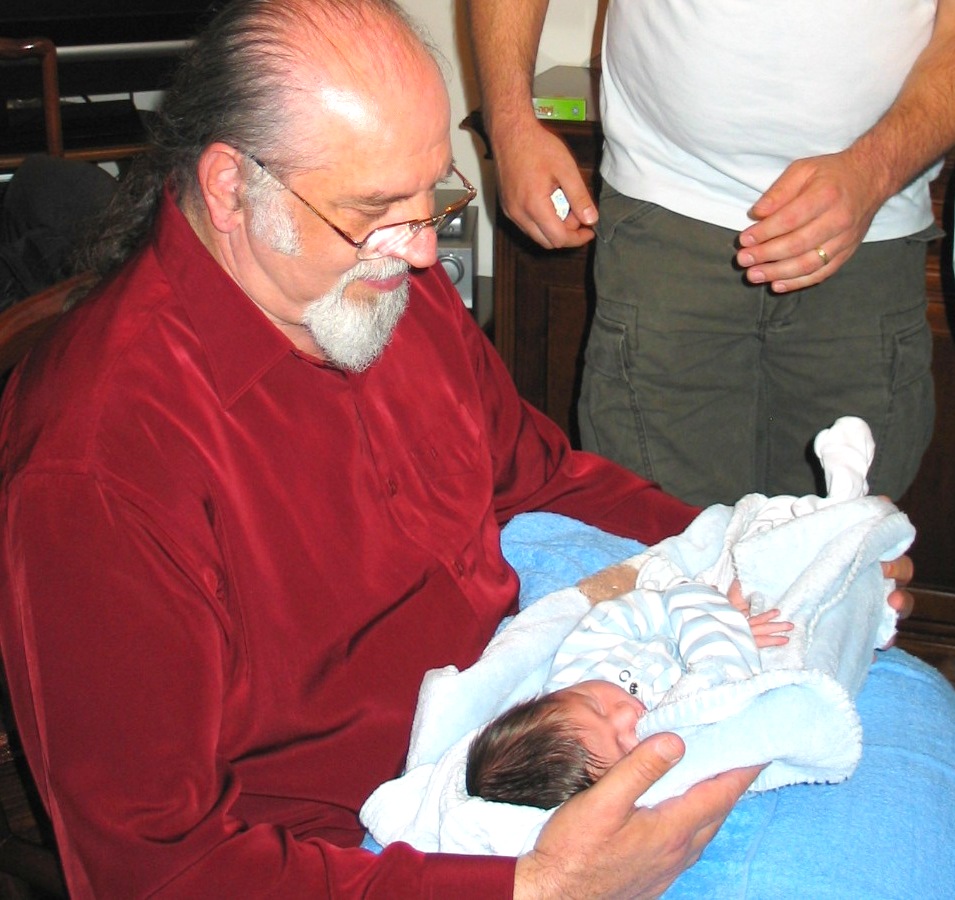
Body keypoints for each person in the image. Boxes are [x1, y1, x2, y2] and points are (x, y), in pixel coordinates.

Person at [0, 1, 913, 897]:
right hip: (360, 857)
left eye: (430, 196)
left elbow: (543, 480)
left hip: (531, 716)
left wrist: (775, 551)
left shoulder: (376, 284)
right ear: (231, 188)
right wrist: (536, 887)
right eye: (372, 210)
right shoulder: (97, 466)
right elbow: (152, 868)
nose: (419, 254)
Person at [466, 1, 955, 506]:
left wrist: (875, 170)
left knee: (841, 541)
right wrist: (510, 125)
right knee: (657, 536)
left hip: (869, 233)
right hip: (665, 215)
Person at [467, 583, 789, 809]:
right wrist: (729, 645)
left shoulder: (580, 663)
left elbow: (631, 612)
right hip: (727, 658)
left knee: (747, 577)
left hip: (681, 612)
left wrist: (712, 623)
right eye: (622, 744)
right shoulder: (660, 745)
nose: (625, 713)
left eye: (596, 706)